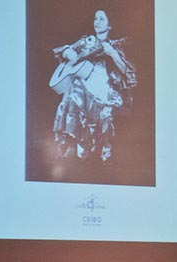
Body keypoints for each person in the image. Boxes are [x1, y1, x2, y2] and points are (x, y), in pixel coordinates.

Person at [51, 9, 136, 164]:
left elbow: (126, 70)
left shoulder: (115, 44)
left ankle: (84, 145)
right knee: (76, 87)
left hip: (104, 85)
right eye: (95, 18)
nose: (97, 22)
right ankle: (71, 141)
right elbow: (63, 51)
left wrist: (113, 54)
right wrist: (68, 52)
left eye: (102, 19)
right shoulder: (86, 41)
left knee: (79, 91)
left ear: (110, 25)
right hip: (84, 82)